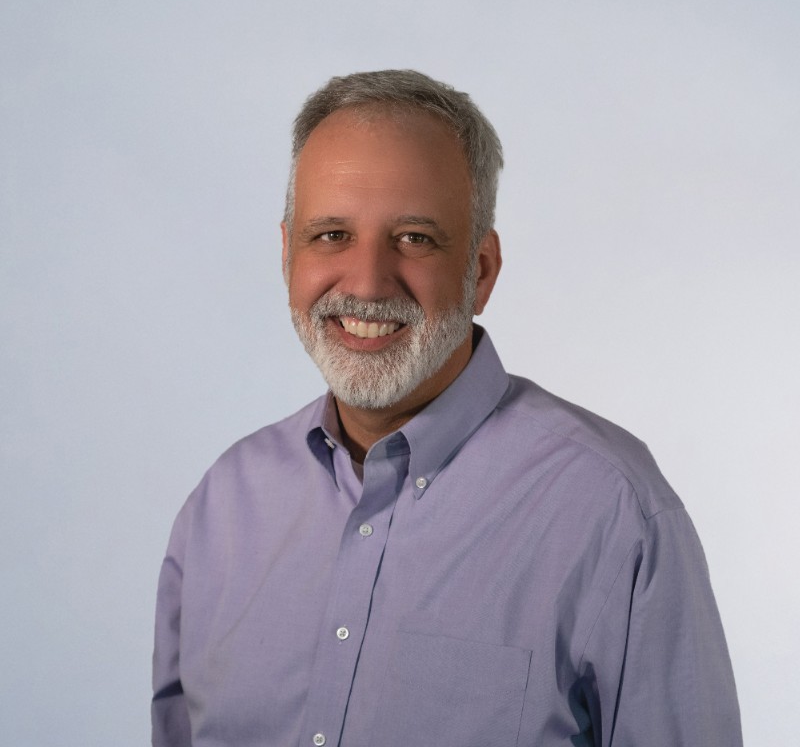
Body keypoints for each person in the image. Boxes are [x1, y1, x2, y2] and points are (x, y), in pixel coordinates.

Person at [152, 70, 742, 746]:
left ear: (482, 270)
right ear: (288, 254)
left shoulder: (611, 511)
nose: (368, 282)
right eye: (331, 235)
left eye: (414, 238)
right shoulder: (220, 510)